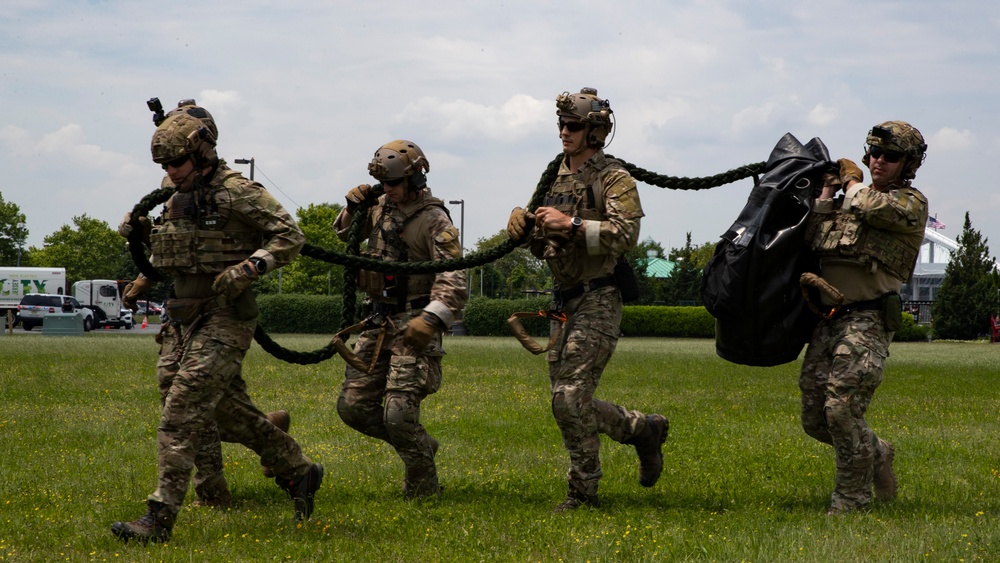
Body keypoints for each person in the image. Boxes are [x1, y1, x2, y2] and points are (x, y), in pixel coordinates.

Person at [111, 106, 323, 544]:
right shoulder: (174, 193)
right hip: (181, 315)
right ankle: (296, 469)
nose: (171, 171)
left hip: (225, 314)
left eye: (177, 162)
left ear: (203, 152)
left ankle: (159, 518)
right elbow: (176, 248)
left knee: (182, 407)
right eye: (165, 165)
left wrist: (249, 268)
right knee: (207, 406)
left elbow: (290, 235)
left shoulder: (238, 191)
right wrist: (142, 247)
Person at [506, 88, 668, 512]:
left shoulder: (614, 177)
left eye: (573, 125)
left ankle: (583, 493)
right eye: (561, 124)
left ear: (596, 131)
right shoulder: (552, 178)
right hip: (563, 302)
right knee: (567, 402)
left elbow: (626, 234)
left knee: (568, 397)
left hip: (600, 296)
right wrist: (526, 234)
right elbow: (544, 245)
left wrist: (572, 222)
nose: (564, 131)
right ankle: (641, 430)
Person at [800, 121, 928, 515]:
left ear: (907, 163)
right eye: (873, 153)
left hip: (869, 318)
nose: (879, 161)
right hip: (829, 318)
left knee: (841, 410)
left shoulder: (910, 203)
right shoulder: (846, 200)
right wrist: (824, 196)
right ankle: (878, 451)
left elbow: (872, 206)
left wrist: (852, 184)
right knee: (815, 417)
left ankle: (850, 503)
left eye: (890, 156)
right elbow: (811, 239)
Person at [333, 140, 466, 498]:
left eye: (391, 183)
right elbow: (346, 233)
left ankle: (423, 489)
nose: (386, 190)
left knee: (397, 412)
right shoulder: (378, 207)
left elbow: (454, 277)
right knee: (354, 408)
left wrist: (431, 319)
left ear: (414, 179)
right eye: (381, 183)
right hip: (377, 321)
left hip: (414, 322)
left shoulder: (434, 218)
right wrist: (351, 208)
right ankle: (419, 444)